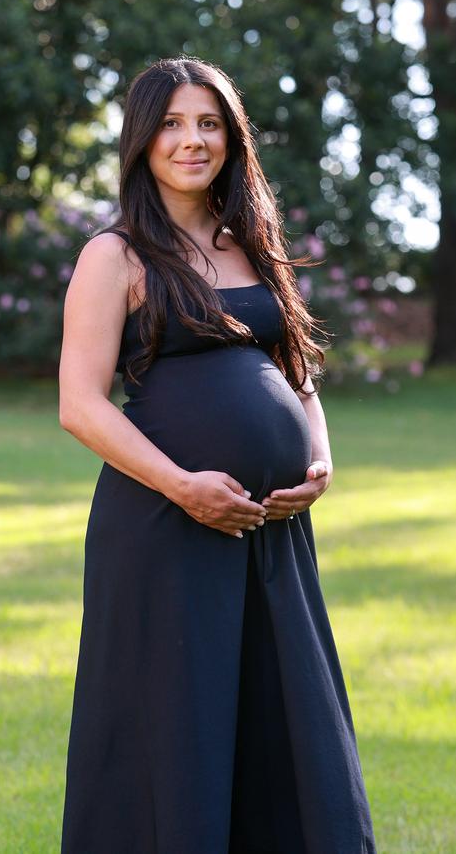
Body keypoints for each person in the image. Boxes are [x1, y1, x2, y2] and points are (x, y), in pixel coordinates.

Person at [58, 56, 377, 854]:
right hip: (164, 529)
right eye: (172, 123)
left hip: (271, 537)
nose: (192, 141)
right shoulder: (115, 254)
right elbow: (80, 404)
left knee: (285, 721)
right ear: (141, 140)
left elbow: (298, 375)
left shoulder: (252, 245)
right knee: (175, 727)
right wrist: (182, 486)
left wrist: (319, 459)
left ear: (232, 141)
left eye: (209, 124)